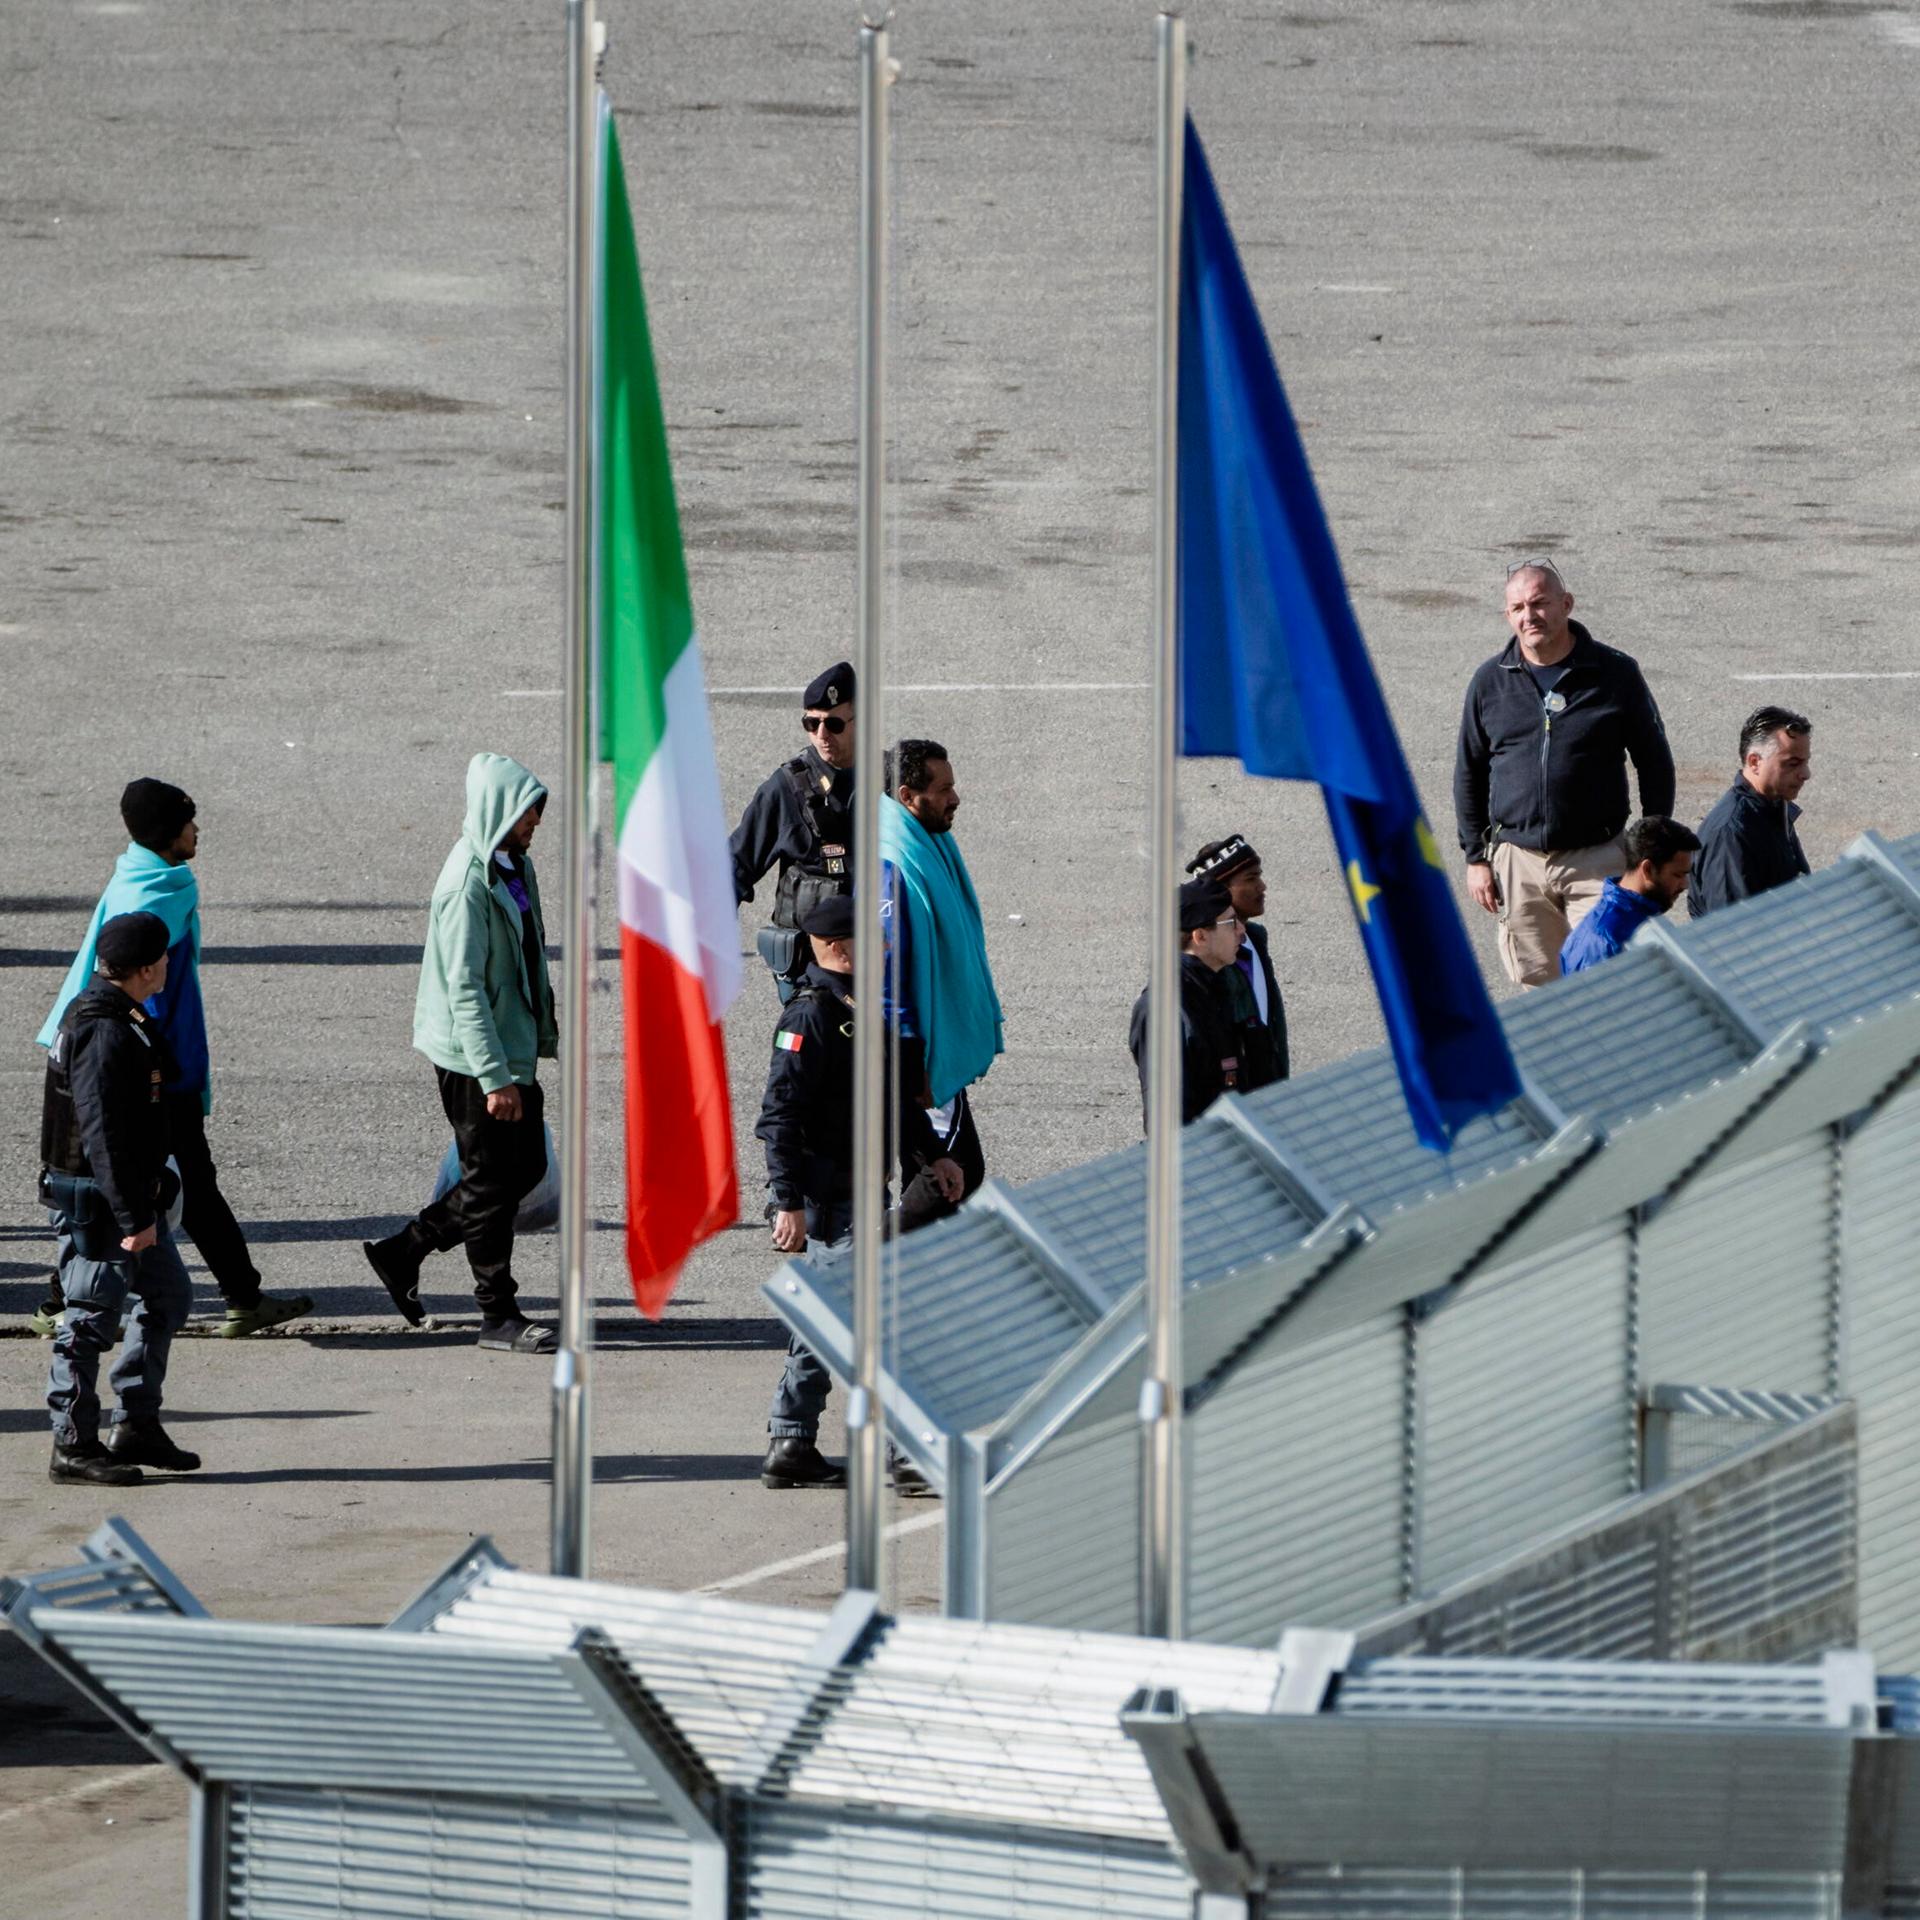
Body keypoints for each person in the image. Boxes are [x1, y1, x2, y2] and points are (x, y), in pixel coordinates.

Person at [33, 778, 311, 1339]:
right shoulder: (153, 894)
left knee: (188, 1180)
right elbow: (136, 992)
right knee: (121, 1178)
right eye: (189, 821)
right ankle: (59, 1303)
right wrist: (152, 1072)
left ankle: (243, 1295)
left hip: (150, 1058)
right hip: (142, 1064)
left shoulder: (147, 872)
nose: (197, 829)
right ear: (167, 832)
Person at [364, 752, 559, 1353]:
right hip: (476, 1059)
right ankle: (497, 1315)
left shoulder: (511, 865)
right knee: (494, 1180)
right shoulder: (464, 886)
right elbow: (465, 989)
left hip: (509, 1050)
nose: (536, 823)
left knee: (520, 1170)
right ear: (501, 811)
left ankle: (405, 1250)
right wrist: (495, 1077)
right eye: (529, 812)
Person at [1454, 562, 1675, 989]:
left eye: (1539, 603)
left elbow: (1653, 760)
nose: (1529, 616)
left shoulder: (1615, 673)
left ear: (1566, 604)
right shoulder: (1489, 683)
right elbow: (1470, 771)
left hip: (1598, 860)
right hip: (1519, 864)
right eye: (1517, 607)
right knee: (1539, 988)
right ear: (1507, 616)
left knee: (1610, 978)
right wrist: (1475, 858)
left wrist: (1653, 837)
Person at [41, 912, 204, 1485]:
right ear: (145, 968)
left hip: (129, 1198)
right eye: (163, 958)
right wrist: (135, 1217)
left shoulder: (117, 1014)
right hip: (103, 1203)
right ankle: (73, 1446)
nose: (168, 966)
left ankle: (136, 1422)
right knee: (89, 1318)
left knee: (166, 1296)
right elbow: (102, 1130)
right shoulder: (104, 1030)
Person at [880, 739, 1003, 1233]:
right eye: (944, 788)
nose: (956, 798)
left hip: (930, 1044)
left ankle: (905, 1284)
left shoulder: (925, 843)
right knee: (953, 1172)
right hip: (916, 1050)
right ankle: (859, 1265)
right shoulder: (894, 863)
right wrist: (913, 1061)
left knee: (943, 1170)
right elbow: (891, 976)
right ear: (909, 796)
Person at [731, 661, 857, 1000]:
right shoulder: (786, 788)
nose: (821, 735)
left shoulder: (888, 780)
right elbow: (736, 864)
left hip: (875, 954)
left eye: (833, 723)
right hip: (810, 965)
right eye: (811, 723)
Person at [1128, 880, 1247, 1128]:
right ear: (1200, 936)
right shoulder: (1164, 1009)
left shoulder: (1214, 988)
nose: (1241, 931)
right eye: (1231, 923)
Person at [1688, 707, 1814, 918]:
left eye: (1806, 762)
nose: (1805, 774)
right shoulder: (1730, 834)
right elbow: (1731, 930)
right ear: (1755, 762)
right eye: (1792, 764)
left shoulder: (1773, 806)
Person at [1185, 834, 1289, 1088]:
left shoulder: (1255, 940)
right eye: (1251, 879)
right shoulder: (1209, 956)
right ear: (1220, 890)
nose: (1262, 887)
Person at [1559, 816, 1701, 976]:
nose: (1685, 885)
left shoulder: (1639, 918)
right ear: (1647, 869)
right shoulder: (1608, 943)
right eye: (1677, 875)